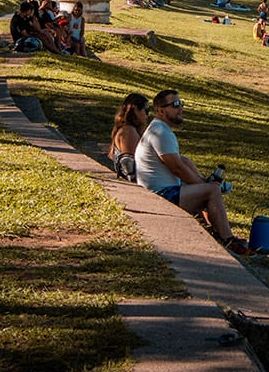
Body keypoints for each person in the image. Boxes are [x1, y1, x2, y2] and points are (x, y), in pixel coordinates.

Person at [134, 90, 254, 255]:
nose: (180, 108)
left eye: (181, 103)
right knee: (212, 191)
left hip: (164, 191)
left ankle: (215, 230)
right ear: (160, 110)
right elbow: (176, 168)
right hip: (160, 196)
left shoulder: (160, 129)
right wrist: (205, 186)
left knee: (187, 161)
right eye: (175, 105)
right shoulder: (160, 132)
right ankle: (228, 240)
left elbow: (181, 164)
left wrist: (201, 182)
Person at [109, 92, 148, 181]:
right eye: (146, 110)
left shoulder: (128, 129)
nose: (147, 115)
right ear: (135, 109)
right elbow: (131, 164)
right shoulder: (128, 131)